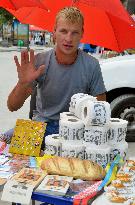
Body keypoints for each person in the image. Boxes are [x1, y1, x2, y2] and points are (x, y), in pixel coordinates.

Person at [7, 7, 106, 150]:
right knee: (5, 141)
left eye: (75, 32)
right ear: (54, 32)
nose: (68, 38)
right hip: (40, 126)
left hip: (76, 132)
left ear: (82, 34)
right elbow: (12, 106)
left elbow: (101, 109)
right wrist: (23, 84)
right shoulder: (40, 61)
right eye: (63, 31)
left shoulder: (92, 65)